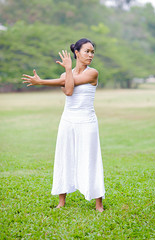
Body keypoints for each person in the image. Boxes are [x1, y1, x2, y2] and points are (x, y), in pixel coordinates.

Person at [22, 38, 105, 212]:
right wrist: (42, 81)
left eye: (92, 52)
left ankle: (98, 203)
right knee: (64, 156)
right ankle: (61, 201)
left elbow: (68, 88)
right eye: (87, 51)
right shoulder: (63, 76)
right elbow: (67, 86)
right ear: (77, 53)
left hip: (87, 121)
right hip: (68, 120)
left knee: (90, 158)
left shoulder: (93, 73)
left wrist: (56, 75)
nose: (90, 55)